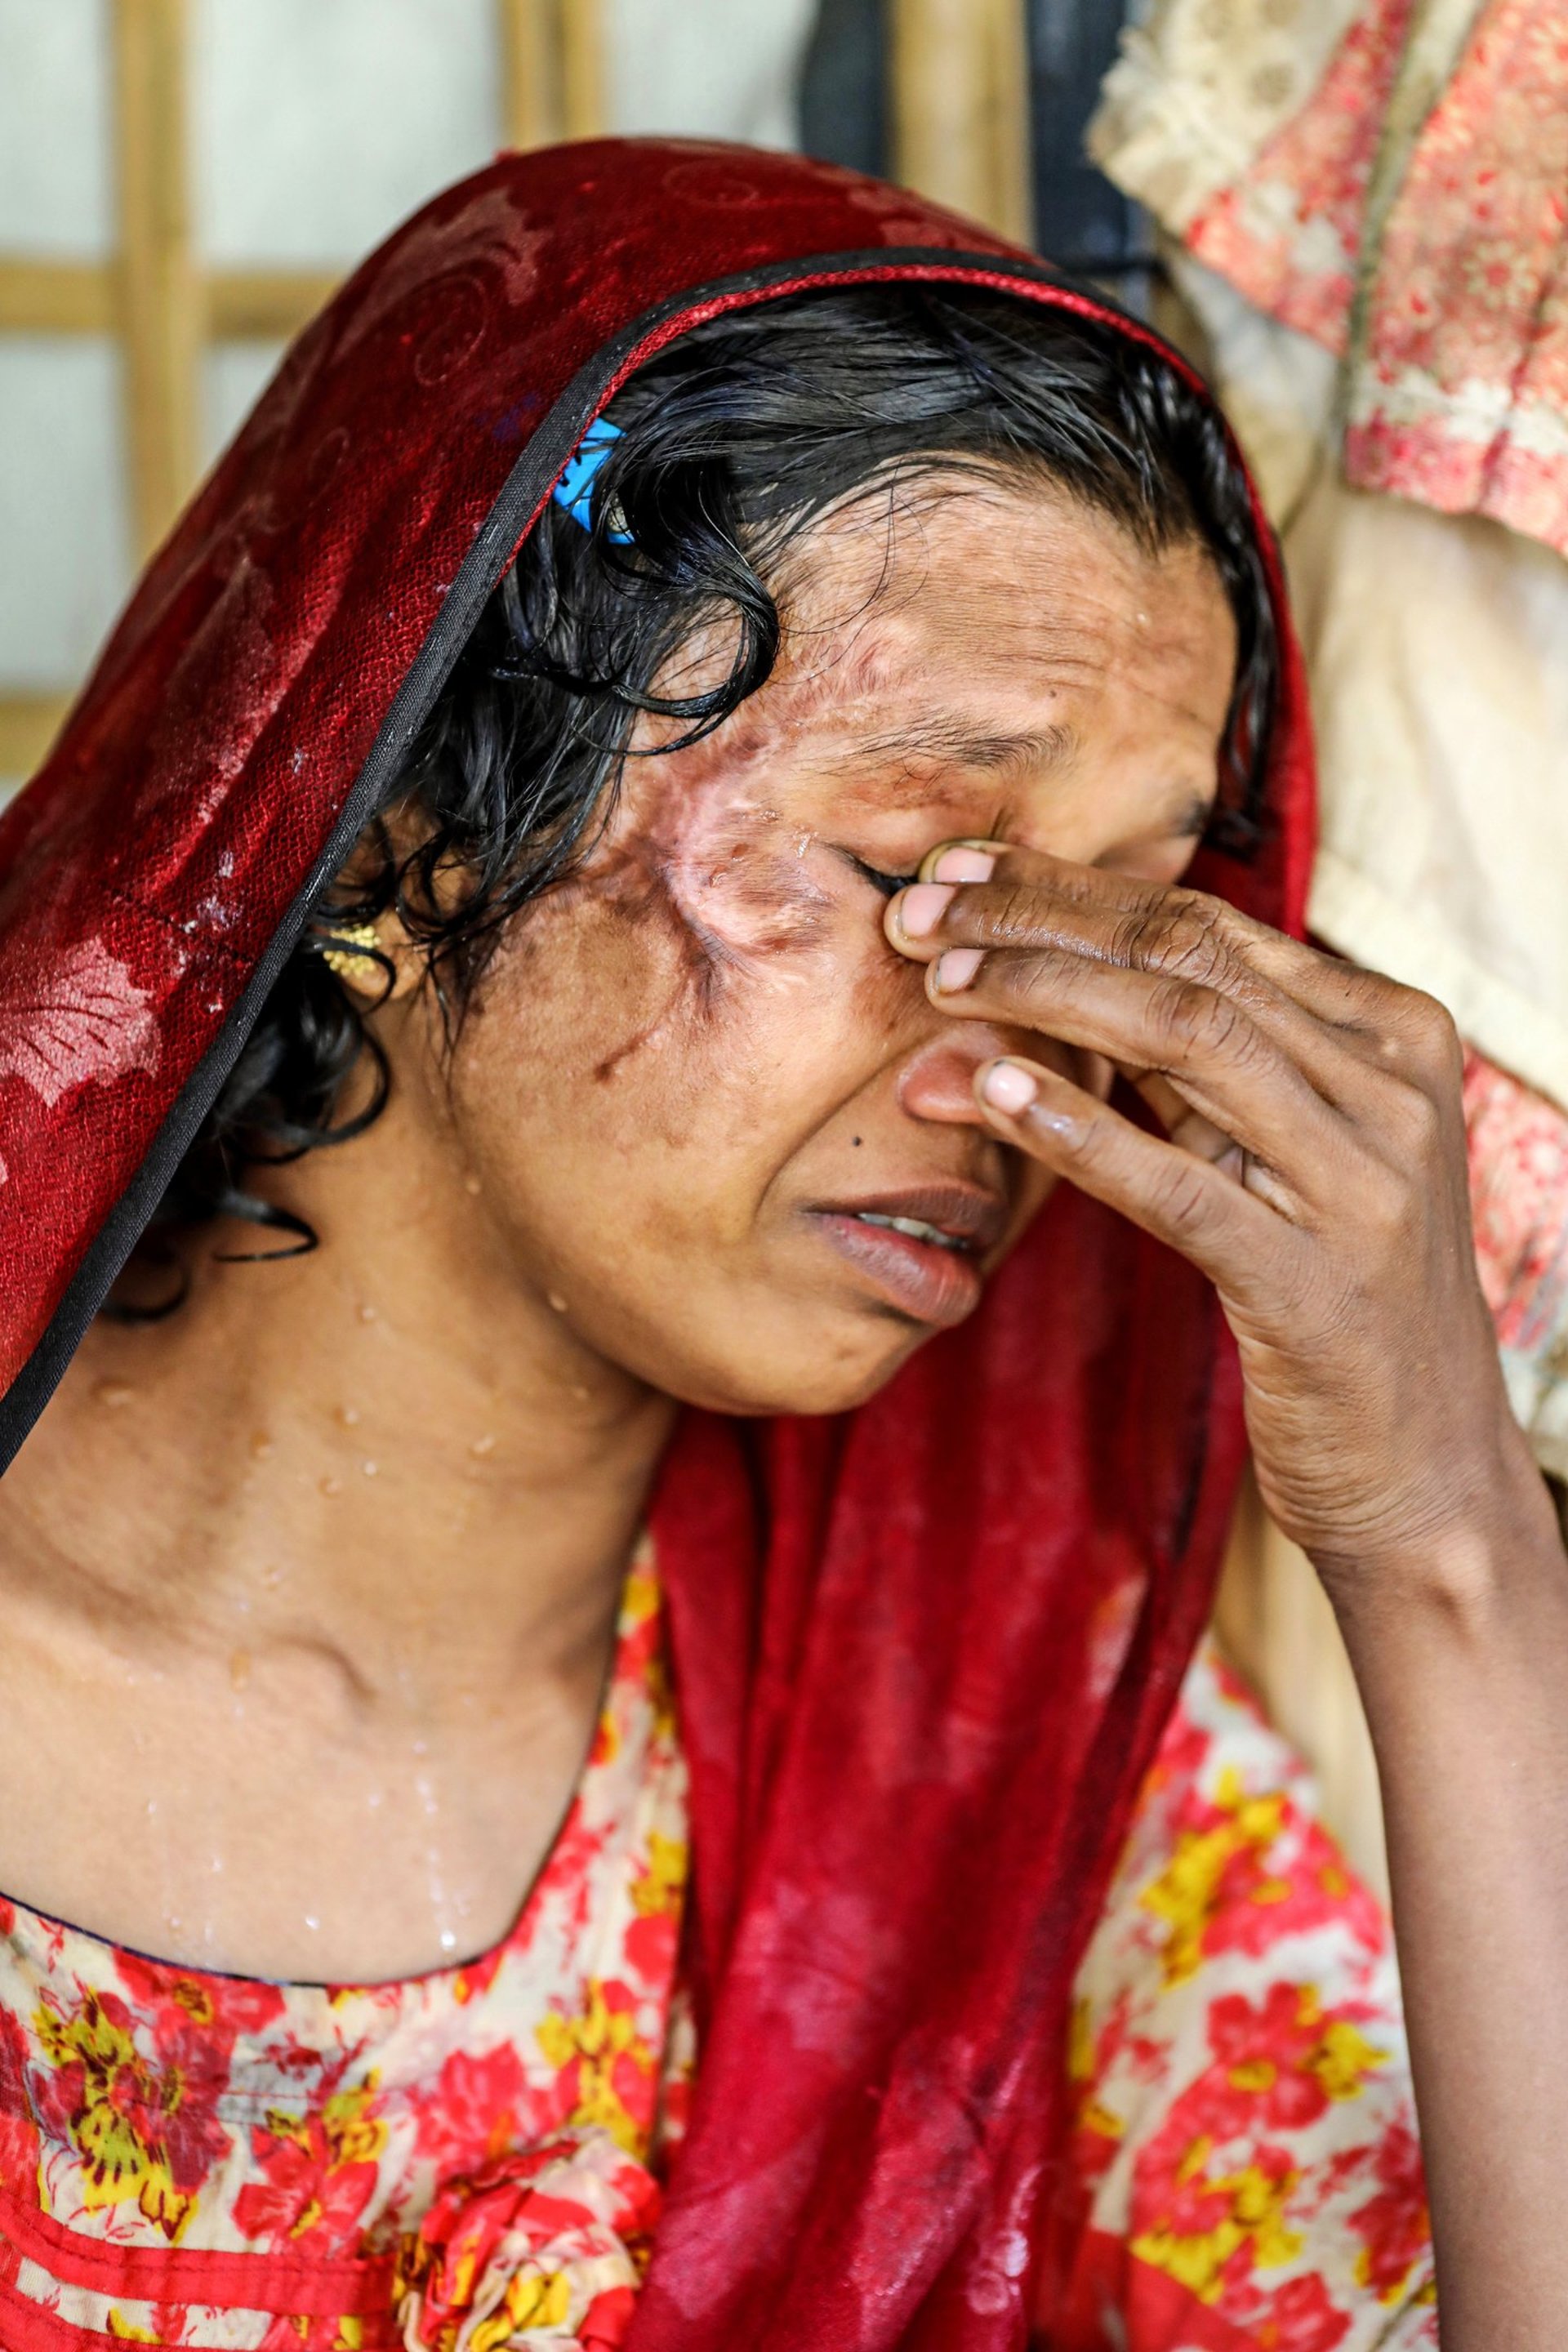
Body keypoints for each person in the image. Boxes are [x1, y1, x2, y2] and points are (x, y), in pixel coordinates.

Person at [0, 140, 1561, 2352]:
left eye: (1126, 925)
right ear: (399, 820)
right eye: (912, 867)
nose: (1019, 1071)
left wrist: (1452, 1553)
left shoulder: (990, 1789)